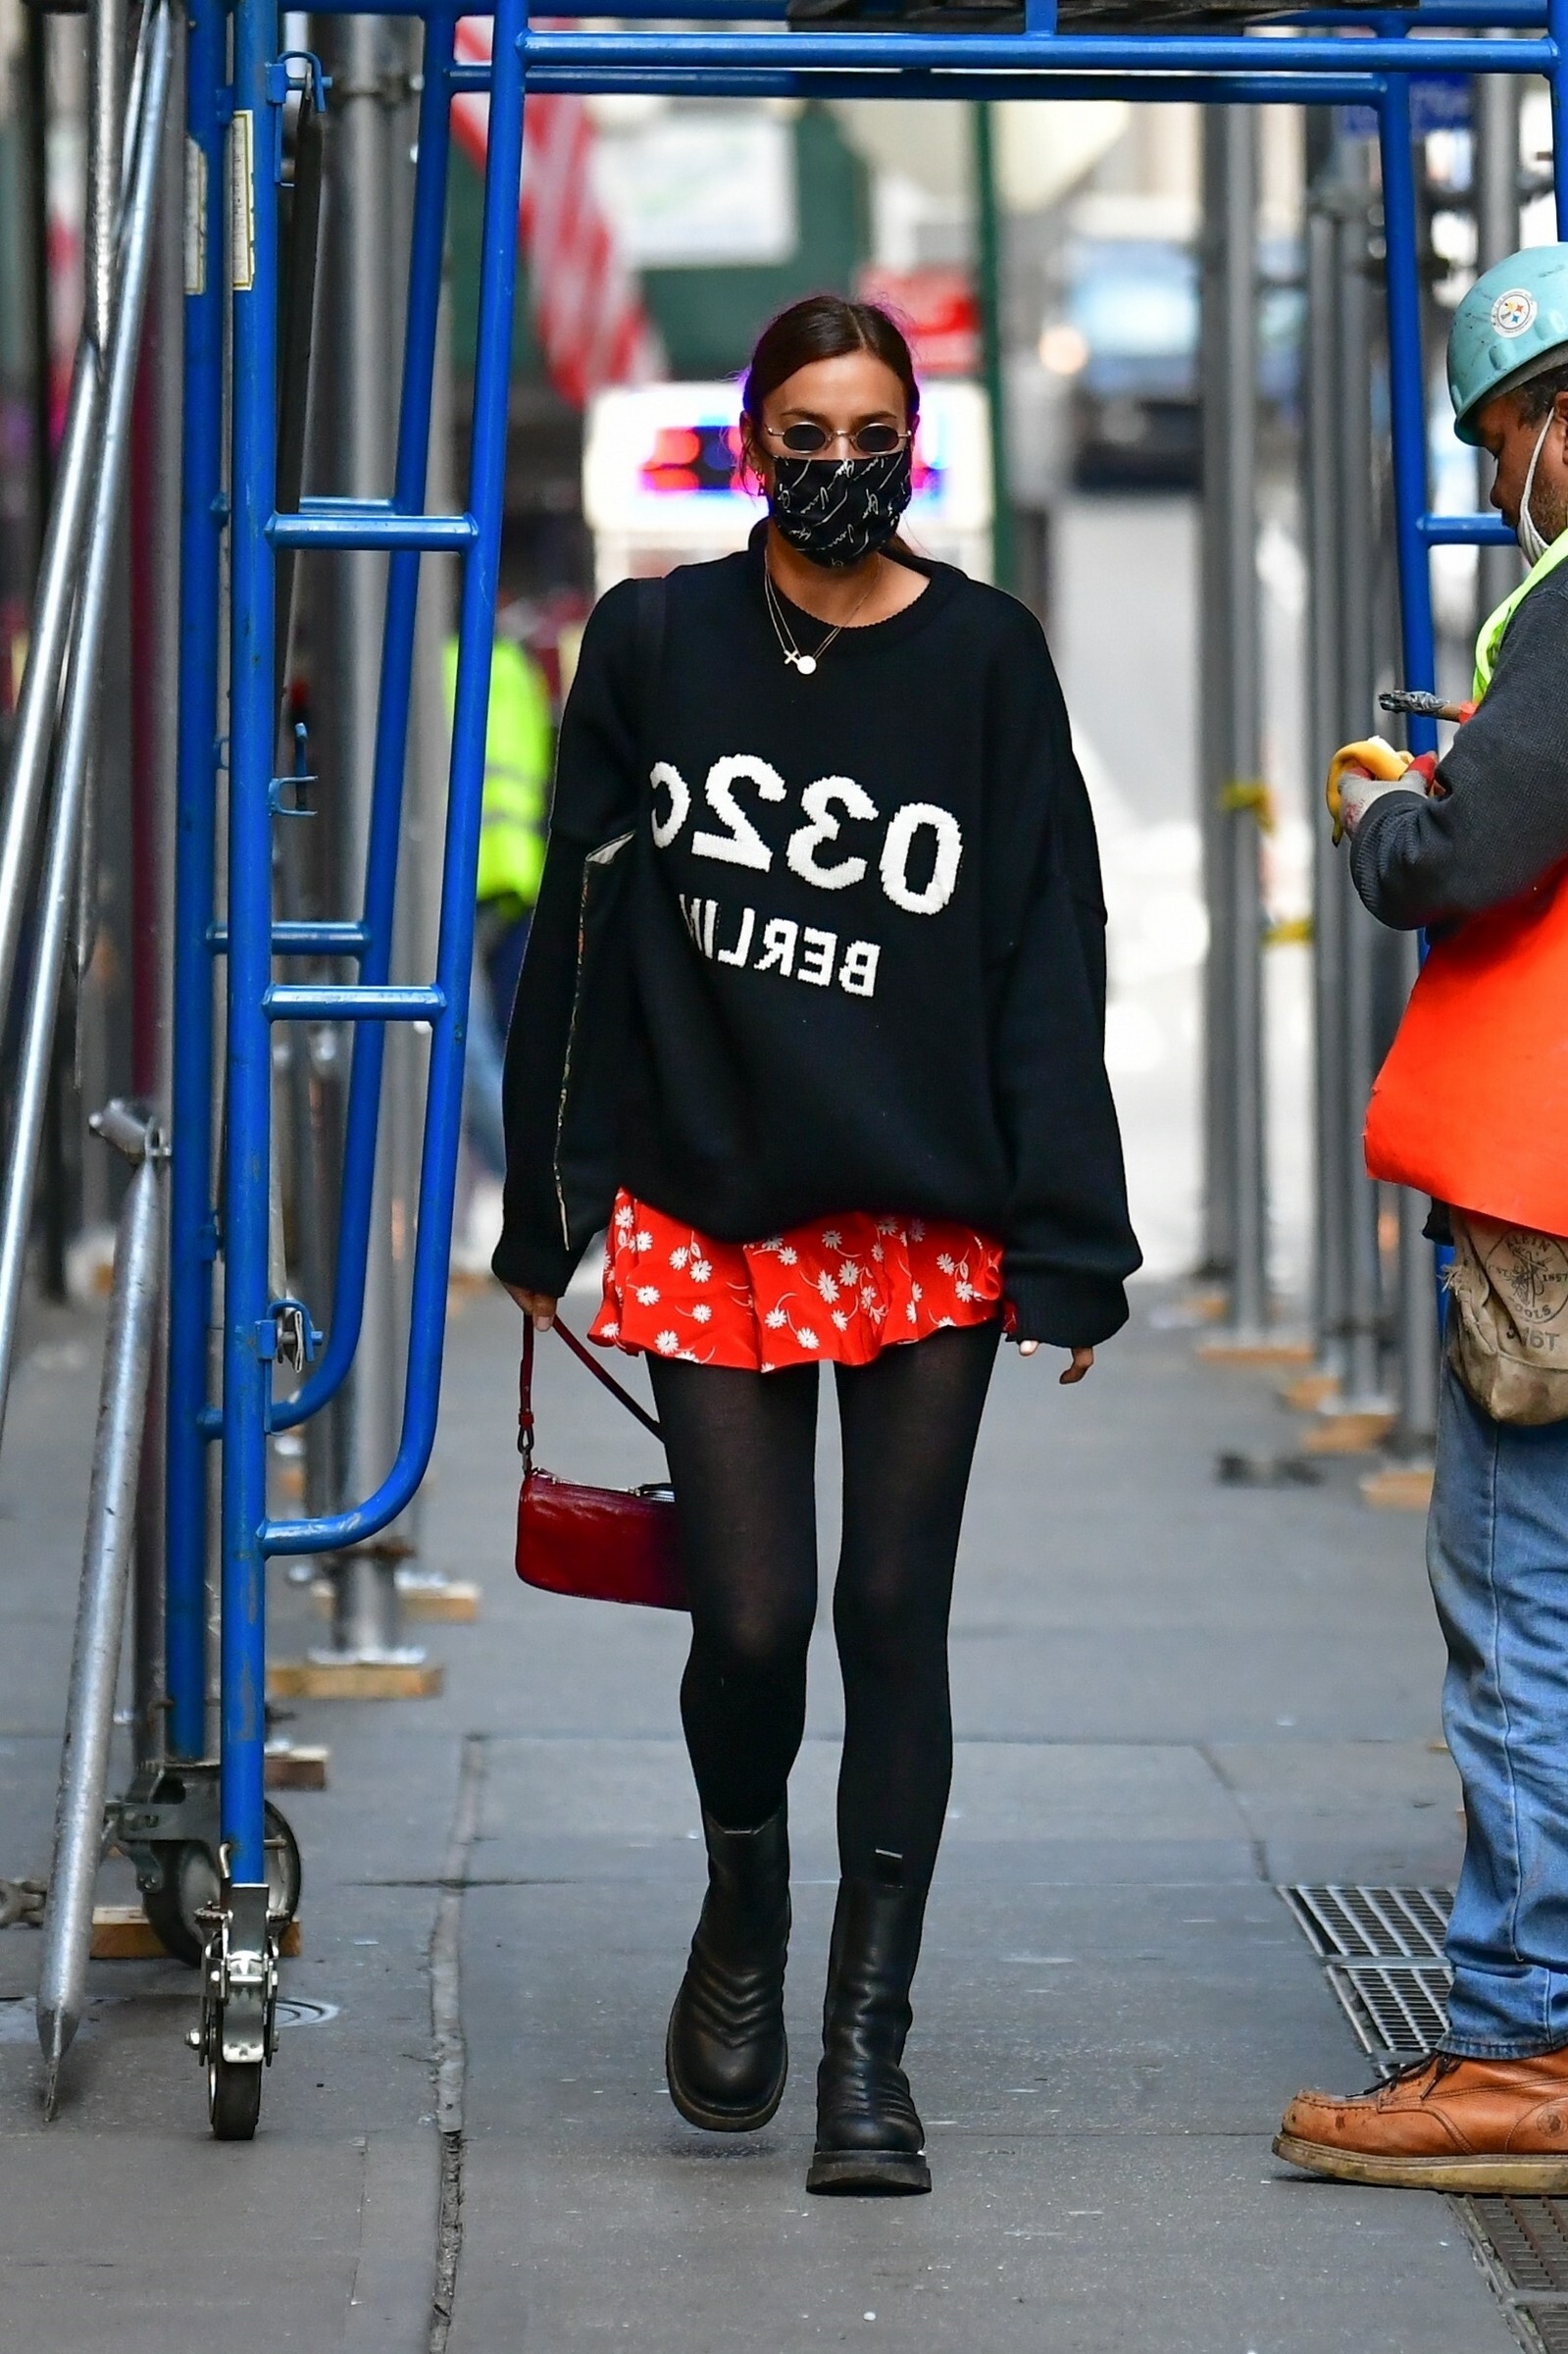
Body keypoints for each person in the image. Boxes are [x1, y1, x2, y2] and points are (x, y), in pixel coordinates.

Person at [493, 294, 1139, 2196]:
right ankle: (743, 1906)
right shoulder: (654, 643)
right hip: (709, 1203)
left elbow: (1048, 947)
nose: (841, 467)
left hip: (925, 1214)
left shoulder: (985, 659)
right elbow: (583, 939)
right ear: (752, 441)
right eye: (807, 434)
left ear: (912, 443)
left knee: (891, 1615)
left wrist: (1069, 1236)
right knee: (753, 1620)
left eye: (873, 435)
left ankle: (867, 2052)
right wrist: (548, 1204)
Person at [1278, 245, 1568, 2191]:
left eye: (1500, 441)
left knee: (1520, 1615)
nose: (1499, 485)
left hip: (1550, 1210)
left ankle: (1521, 2049)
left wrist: (1386, 810)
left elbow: (1470, 856)